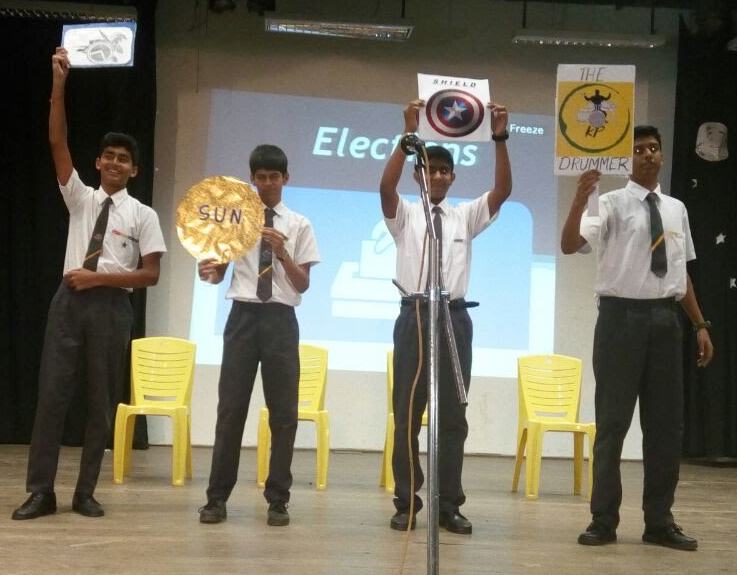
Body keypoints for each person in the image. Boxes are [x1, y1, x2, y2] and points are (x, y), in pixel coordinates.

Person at [12, 48, 166, 520]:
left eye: (125, 159)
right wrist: (59, 84)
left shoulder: (143, 215)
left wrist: (100, 276)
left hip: (112, 308)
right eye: (109, 156)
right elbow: (57, 141)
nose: (116, 163)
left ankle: (85, 493)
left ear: (134, 170)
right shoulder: (80, 198)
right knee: (52, 398)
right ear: (98, 162)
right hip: (70, 301)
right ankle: (41, 492)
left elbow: (151, 275)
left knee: (100, 404)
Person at [561, 125, 714, 551]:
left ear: (662, 156)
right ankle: (603, 519)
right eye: (639, 149)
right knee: (612, 424)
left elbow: (681, 274)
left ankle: (659, 521)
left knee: (666, 427)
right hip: (620, 319)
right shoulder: (609, 203)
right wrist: (579, 198)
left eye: (653, 148)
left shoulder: (676, 209)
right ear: (625, 159)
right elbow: (570, 244)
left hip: (666, 321)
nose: (648, 155)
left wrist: (700, 324)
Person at [379, 99, 511, 534]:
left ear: (452, 177)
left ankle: (449, 503)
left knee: (453, 417)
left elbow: (502, 191)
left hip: (453, 319)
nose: (436, 176)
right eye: (429, 170)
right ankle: (407, 501)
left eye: (443, 171)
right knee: (407, 414)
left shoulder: (463, 216)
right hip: (415, 315)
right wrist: (407, 136)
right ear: (418, 174)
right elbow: (385, 188)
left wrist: (500, 138)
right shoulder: (405, 214)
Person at [198, 144, 320, 527]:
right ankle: (216, 499)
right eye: (261, 177)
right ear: (251, 179)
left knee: (284, 414)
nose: (268, 183)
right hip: (243, 317)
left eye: (274, 177)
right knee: (230, 411)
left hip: (281, 319)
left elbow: (302, 285)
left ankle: (278, 500)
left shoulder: (299, 224)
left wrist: (282, 253)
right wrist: (209, 271)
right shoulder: (235, 220)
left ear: (286, 178)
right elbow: (217, 274)